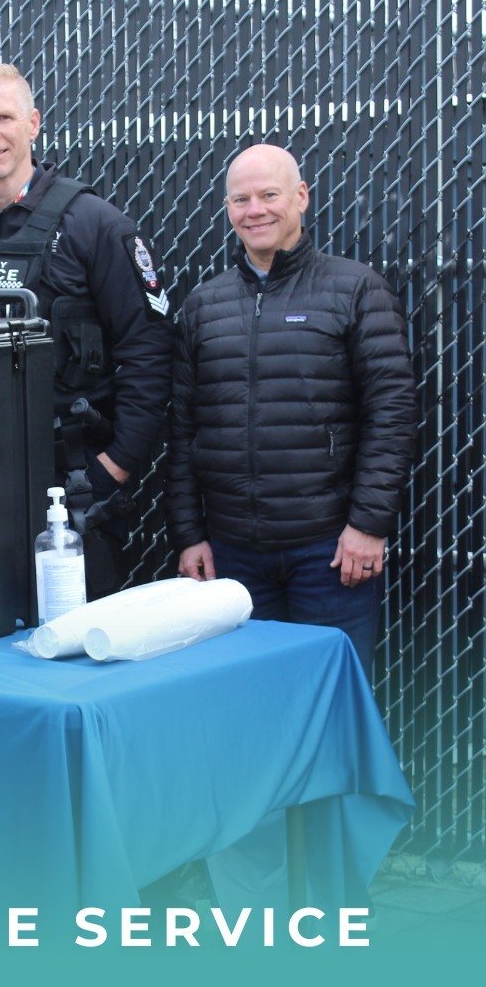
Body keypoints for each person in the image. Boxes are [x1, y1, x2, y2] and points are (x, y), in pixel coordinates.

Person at [0, 62, 175, 598]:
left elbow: (151, 351)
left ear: (33, 123)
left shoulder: (94, 224)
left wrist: (114, 467)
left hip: (72, 483)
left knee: (77, 649)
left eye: (3, 116)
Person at [166, 143, 417, 673]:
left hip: (330, 554)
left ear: (300, 197)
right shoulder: (203, 307)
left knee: (332, 702)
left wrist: (368, 525)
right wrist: (190, 534)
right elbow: (184, 428)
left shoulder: (355, 290)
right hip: (233, 557)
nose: (254, 209)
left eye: (269, 195)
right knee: (257, 703)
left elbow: (391, 413)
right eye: (240, 199)